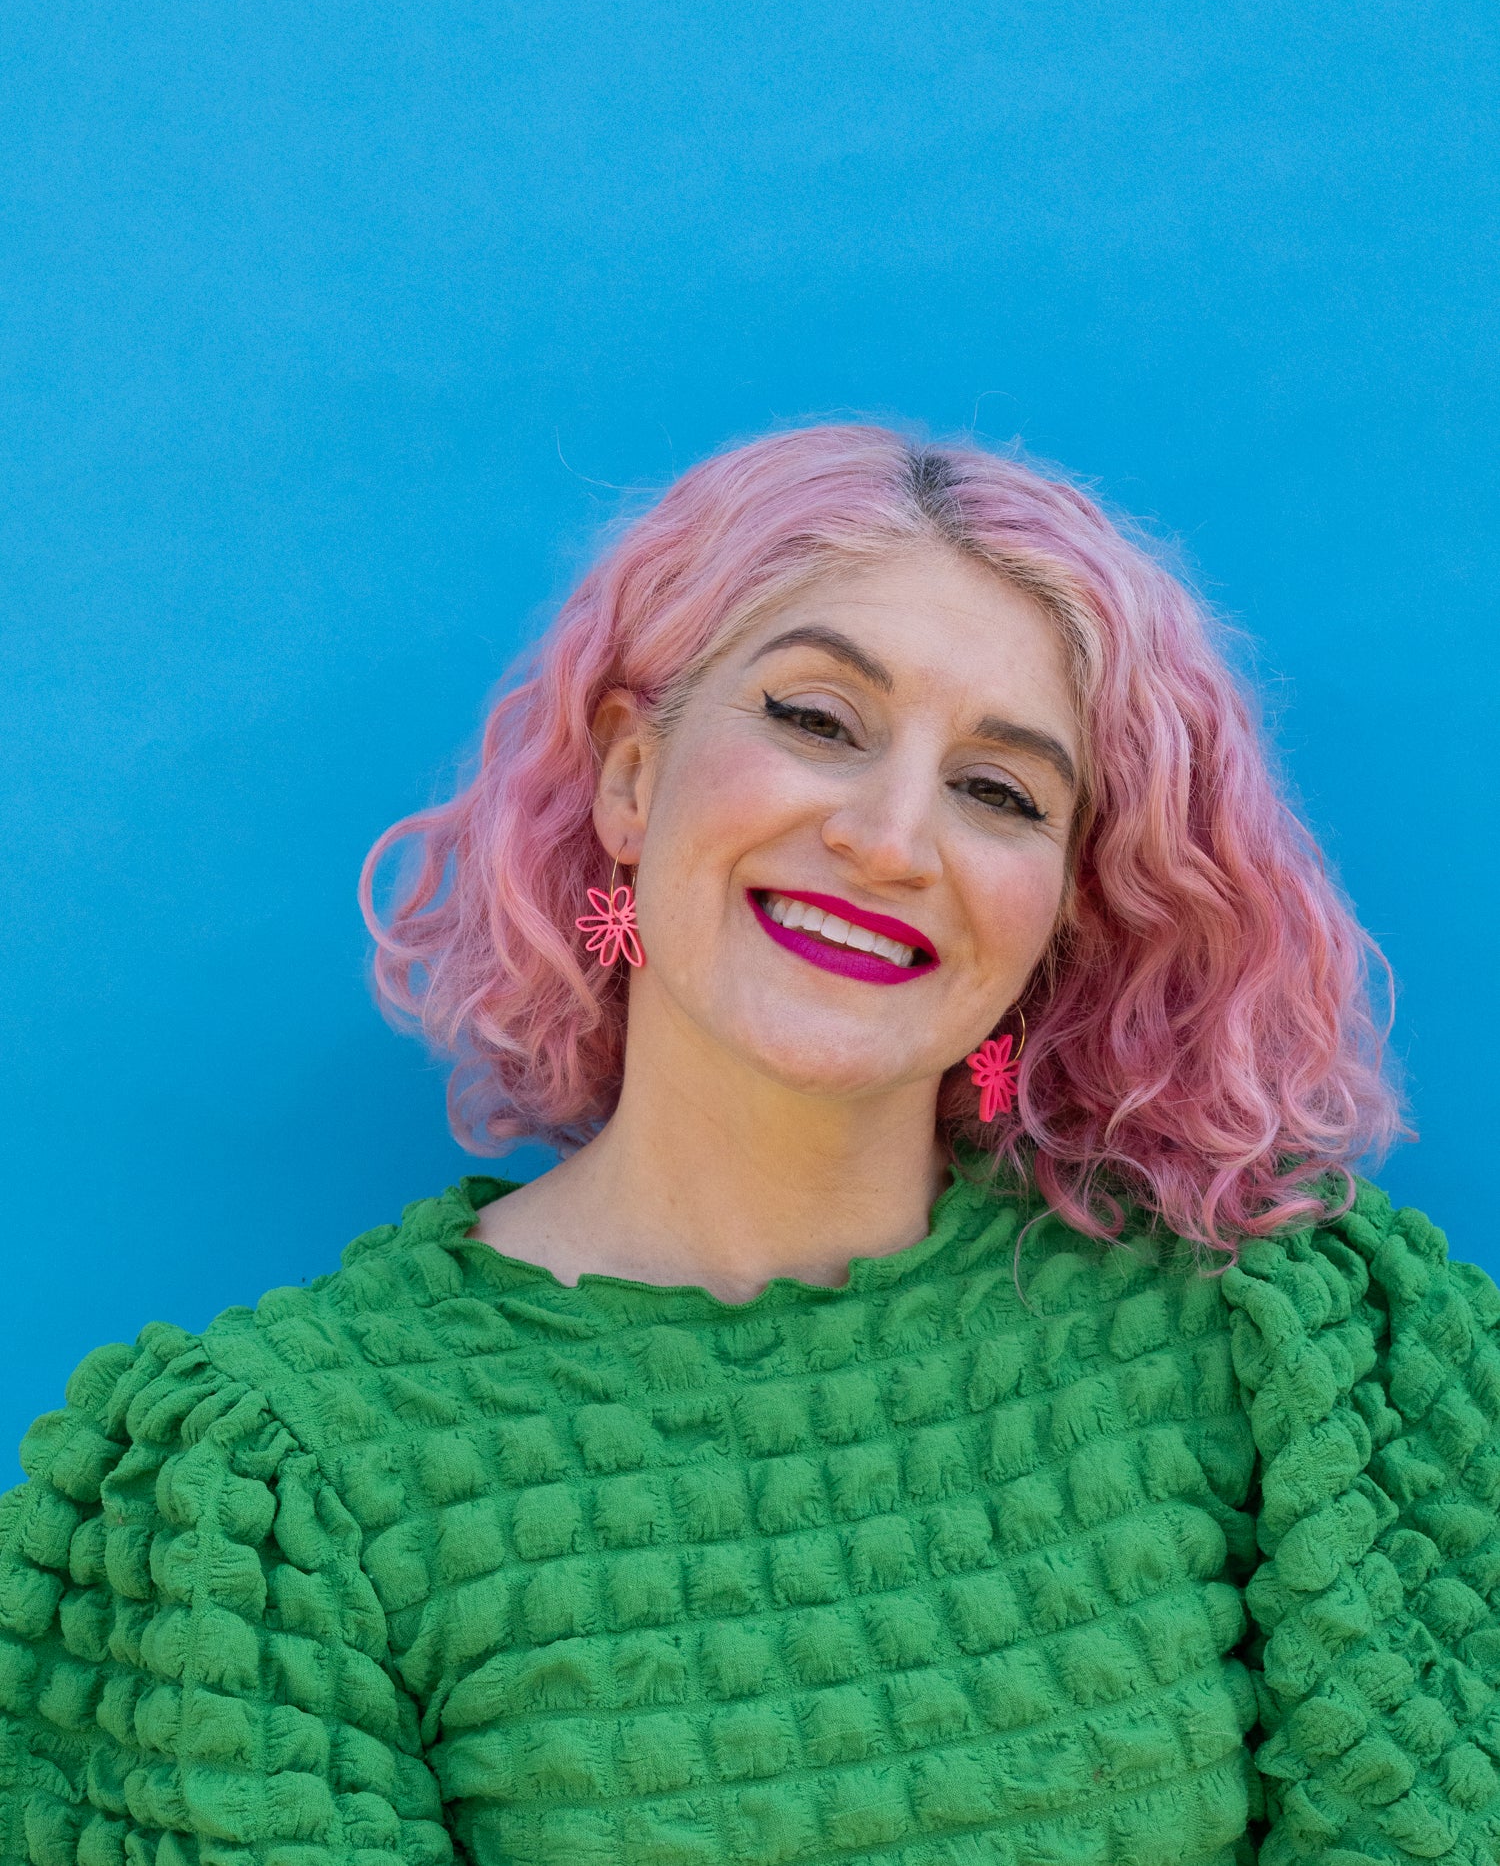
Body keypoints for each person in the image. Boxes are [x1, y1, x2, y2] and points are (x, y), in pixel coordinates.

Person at [2, 423, 1495, 1866]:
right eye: (817, 720)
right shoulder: (266, 1491)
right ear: (632, 778)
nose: (893, 836)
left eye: (999, 791)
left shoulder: (1279, 1334)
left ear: (1061, 914)